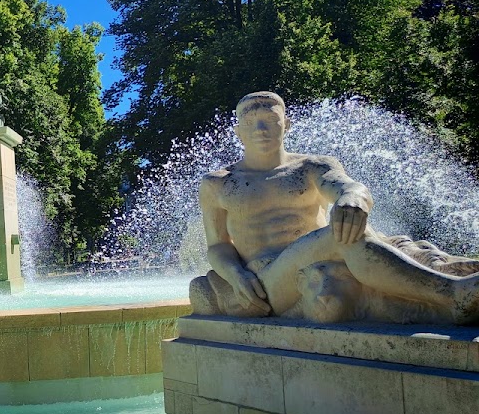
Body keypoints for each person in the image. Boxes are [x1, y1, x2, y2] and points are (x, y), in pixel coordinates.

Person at [191, 92, 479, 324]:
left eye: (270, 119)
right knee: (339, 235)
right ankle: (452, 294)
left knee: (373, 238)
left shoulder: (312, 166)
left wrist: (353, 198)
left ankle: (451, 277)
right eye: (251, 121)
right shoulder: (218, 183)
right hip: (269, 283)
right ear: (237, 131)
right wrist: (236, 276)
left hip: (329, 266)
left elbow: (347, 187)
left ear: (286, 124)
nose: (261, 129)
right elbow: (218, 246)